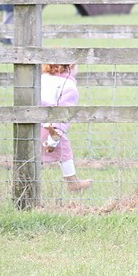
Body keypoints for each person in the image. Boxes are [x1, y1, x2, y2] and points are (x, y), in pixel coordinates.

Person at [38, 62, 92, 192]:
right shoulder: (68, 86)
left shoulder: (40, 79)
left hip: (33, 122)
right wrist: (57, 130)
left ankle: (26, 181)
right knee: (64, 151)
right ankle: (72, 182)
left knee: (33, 154)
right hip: (51, 125)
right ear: (68, 67)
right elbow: (64, 112)